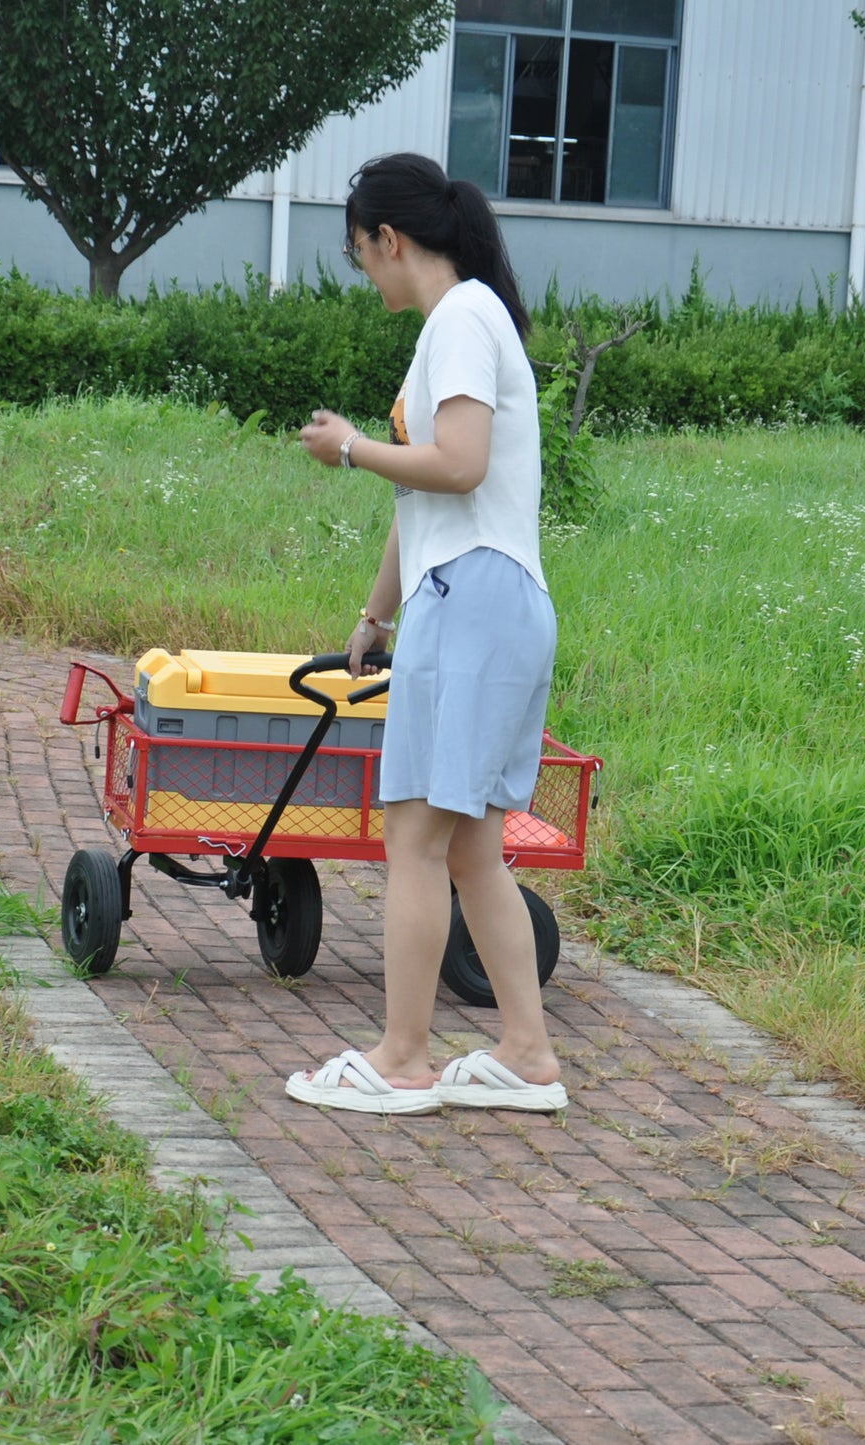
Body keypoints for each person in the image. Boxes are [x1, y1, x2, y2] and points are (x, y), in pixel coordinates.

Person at [288, 152, 565, 1117]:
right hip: (495, 597)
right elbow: (423, 502)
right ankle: (527, 1054)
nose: (365, 274)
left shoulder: (459, 319)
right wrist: (374, 616)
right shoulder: (466, 321)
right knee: (470, 846)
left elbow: (455, 463)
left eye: (361, 255)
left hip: (474, 600)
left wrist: (351, 447)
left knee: (411, 833)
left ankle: (402, 1057)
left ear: (388, 240)